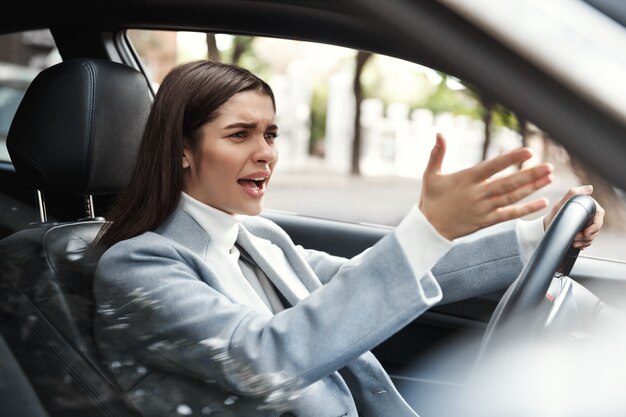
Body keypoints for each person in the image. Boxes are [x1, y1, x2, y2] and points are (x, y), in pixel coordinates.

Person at [92, 60, 604, 417]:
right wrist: (428, 227)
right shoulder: (139, 266)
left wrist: (537, 236)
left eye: (271, 133)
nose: (267, 152)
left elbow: (367, 282)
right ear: (183, 150)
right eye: (239, 134)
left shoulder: (259, 237)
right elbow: (264, 359)